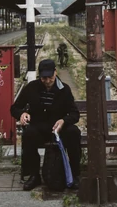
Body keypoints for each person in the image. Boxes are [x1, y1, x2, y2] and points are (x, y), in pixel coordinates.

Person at [10, 58, 81, 191]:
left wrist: (64, 121)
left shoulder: (64, 89)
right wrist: (22, 114)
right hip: (39, 129)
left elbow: (75, 114)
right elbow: (14, 108)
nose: (47, 81)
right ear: (40, 76)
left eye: (50, 77)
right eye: (44, 78)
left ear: (55, 73)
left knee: (74, 133)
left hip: (59, 130)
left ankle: (74, 174)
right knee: (29, 134)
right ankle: (34, 175)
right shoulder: (31, 88)